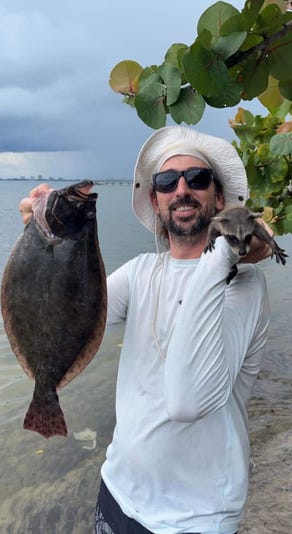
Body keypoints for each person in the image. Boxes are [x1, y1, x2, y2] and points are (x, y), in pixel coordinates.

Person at [20, 126, 272, 534]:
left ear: (220, 197)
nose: (183, 189)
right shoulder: (140, 273)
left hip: (197, 517)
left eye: (199, 178)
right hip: (119, 491)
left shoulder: (243, 286)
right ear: (155, 200)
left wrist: (229, 247)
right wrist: (38, 244)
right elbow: (68, 311)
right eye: (168, 181)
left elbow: (187, 402)